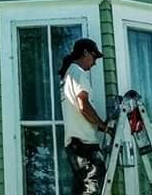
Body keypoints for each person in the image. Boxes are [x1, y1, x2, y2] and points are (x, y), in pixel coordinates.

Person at [58, 38, 111, 194]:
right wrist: (103, 125)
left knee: (81, 189)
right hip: (84, 145)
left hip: (75, 145)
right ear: (86, 52)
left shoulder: (68, 75)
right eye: (94, 57)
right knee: (92, 186)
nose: (94, 63)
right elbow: (83, 105)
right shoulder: (78, 73)